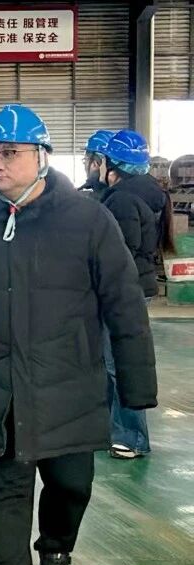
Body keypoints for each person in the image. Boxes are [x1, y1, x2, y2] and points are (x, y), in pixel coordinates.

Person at [0, 104, 157, 565]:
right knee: (4, 497)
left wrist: (136, 388)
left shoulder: (87, 220)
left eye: (9, 153)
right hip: (2, 394)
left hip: (69, 391)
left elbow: (124, 305)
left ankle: (56, 550)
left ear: (42, 157)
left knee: (71, 487)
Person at [96, 129, 172, 459]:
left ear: (112, 164)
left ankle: (131, 437)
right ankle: (113, 430)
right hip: (136, 287)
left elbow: (121, 250)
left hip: (124, 291)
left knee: (118, 362)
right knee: (113, 360)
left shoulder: (123, 199)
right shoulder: (145, 193)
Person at [79, 129, 116, 197]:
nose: (84, 164)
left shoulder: (84, 197)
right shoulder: (125, 191)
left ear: (94, 164)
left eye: (85, 160)